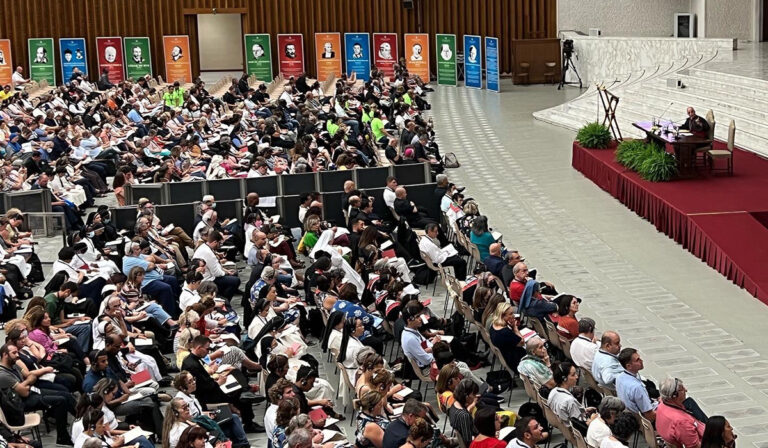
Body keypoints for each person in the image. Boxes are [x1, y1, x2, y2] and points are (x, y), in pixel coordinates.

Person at [0, 343, 73, 446]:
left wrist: (26, 383)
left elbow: (29, 375)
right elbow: (24, 392)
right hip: (21, 403)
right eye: (14, 353)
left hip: (32, 392)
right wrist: (28, 382)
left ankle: (81, 419)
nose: (18, 355)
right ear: (5, 355)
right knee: (60, 400)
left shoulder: (14, 364)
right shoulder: (2, 375)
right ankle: (62, 437)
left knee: (65, 394)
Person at [656, 377, 708, 448]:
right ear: (674, 395)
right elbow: (695, 446)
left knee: (689, 401)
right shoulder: (682, 422)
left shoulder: (661, 405)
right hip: (706, 441)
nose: (686, 390)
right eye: (682, 389)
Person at [615, 348, 656, 421]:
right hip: (642, 420)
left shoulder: (619, 377)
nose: (641, 361)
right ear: (629, 366)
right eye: (637, 360)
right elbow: (650, 416)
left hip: (630, 415)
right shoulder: (637, 387)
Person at [489, 303, 525, 372]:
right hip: (518, 361)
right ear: (503, 316)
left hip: (507, 357)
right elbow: (522, 342)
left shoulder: (493, 326)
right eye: (511, 314)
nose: (513, 316)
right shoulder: (505, 332)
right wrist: (515, 328)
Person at [447, 379, 478, 444]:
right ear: (466, 397)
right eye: (474, 394)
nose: (475, 397)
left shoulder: (453, 406)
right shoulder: (464, 416)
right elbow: (468, 441)